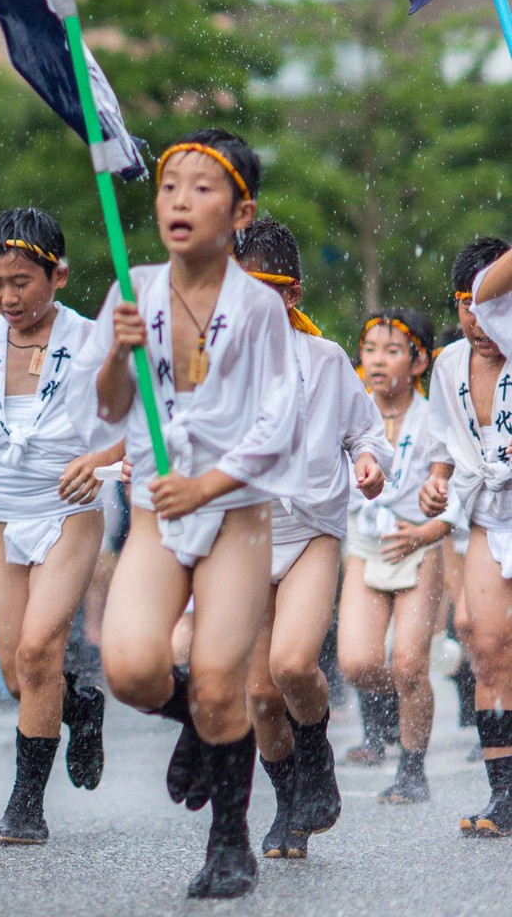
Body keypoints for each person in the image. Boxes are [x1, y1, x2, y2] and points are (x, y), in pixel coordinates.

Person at [89, 130, 300, 899]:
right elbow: (108, 408)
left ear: (240, 211)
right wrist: (117, 354)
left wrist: (208, 486)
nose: (180, 200)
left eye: (202, 187)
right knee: (131, 670)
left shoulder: (259, 307)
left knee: (218, 680)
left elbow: (278, 424)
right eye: (170, 185)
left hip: (236, 514)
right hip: (155, 511)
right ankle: (205, 726)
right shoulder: (133, 289)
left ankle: (230, 843)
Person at [0, 208, 120, 846]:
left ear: (58, 276)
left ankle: (26, 808)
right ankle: (79, 705)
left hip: (69, 510)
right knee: (18, 671)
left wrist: (100, 461)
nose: (8, 297)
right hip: (0, 514)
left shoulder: (93, 341)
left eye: (21, 282)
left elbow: (144, 422)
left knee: (39, 649)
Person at [232, 217, 387, 861]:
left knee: (293, 665)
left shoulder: (326, 359)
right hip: (243, 535)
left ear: (292, 293)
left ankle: (317, 756)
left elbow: (366, 432)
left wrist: (370, 462)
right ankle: (289, 802)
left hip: (311, 528)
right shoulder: (209, 363)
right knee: (260, 694)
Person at [337, 308, 447, 807]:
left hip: (419, 544)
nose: (377, 360)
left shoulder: (434, 416)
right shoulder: (352, 408)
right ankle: (398, 704)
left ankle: (411, 769)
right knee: (357, 662)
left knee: (408, 663)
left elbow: (451, 484)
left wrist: (428, 523)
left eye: (393, 351)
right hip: (365, 542)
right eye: (370, 349)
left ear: (418, 362)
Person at [426, 235, 512, 835]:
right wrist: (436, 483)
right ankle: (504, 794)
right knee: (485, 645)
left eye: (491, 304)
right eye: (466, 305)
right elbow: (443, 448)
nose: (478, 320)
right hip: (486, 516)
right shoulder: (447, 364)